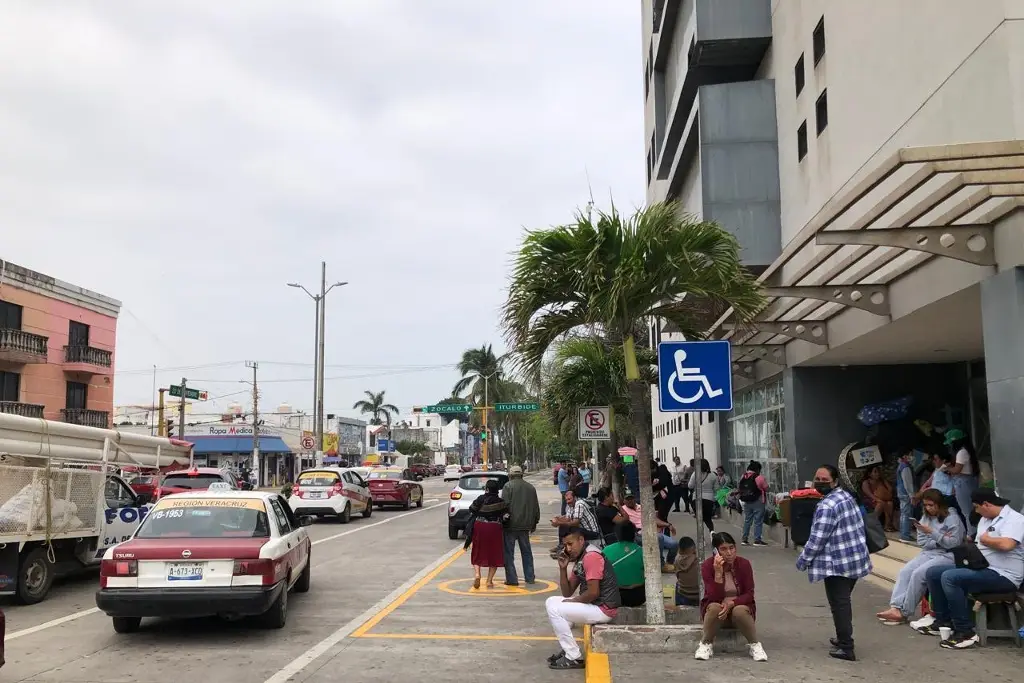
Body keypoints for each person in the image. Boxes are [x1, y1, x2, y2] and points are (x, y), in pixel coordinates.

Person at [914, 489, 1024, 649]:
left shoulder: (1015, 519)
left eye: (976, 507)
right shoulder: (986, 519)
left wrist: (987, 540)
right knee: (934, 573)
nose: (975, 511)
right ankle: (943, 622)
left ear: (986, 505)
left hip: (1004, 575)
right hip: (983, 567)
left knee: (951, 577)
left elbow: (1007, 544)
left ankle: (965, 632)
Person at [796, 465, 872, 662]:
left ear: (835, 481)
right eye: (817, 478)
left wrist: (803, 560)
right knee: (842, 602)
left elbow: (817, 539)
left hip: (837, 563)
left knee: (839, 604)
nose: (820, 482)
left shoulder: (827, 506)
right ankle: (842, 638)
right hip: (855, 560)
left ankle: (847, 647)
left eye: (824, 479)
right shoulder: (847, 497)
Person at [876, 488, 964, 625]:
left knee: (919, 574)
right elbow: (922, 541)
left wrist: (932, 533)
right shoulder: (925, 517)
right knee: (905, 571)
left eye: (931, 505)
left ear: (939, 504)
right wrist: (940, 539)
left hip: (949, 555)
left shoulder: (952, 518)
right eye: (926, 505)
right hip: (928, 552)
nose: (928, 508)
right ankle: (895, 607)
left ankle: (904, 611)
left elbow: (953, 543)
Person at [545, 528, 621, 670]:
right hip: (594, 605)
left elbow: (593, 592)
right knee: (551, 601)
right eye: (565, 545)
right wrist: (563, 568)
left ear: (581, 540)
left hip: (603, 609)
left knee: (556, 609)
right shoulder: (581, 557)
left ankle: (573, 656)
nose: (568, 549)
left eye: (570, 544)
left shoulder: (591, 557)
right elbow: (567, 592)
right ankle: (568, 647)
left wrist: (573, 602)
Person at [694, 532, 768, 662]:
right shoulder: (707, 566)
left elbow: (749, 594)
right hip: (718, 614)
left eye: (731, 548)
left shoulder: (744, 564)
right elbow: (712, 597)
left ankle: (755, 644)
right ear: (716, 551)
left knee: (739, 610)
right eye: (723, 549)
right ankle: (705, 644)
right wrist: (718, 573)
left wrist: (732, 603)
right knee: (714, 607)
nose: (729, 553)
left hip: (739, 614)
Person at [502, 465, 540, 586]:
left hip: (511, 526)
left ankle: (512, 579)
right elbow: (535, 507)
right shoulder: (531, 488)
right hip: (525, 526)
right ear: (521, 475)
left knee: (509, 553)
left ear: (511, 475)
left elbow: (504, 506)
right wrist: (534, 523)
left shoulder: (508, 486)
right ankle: (529, 577)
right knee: (527, 552)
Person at [467, 479, 508, 590]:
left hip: (480, 526)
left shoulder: (481, 499)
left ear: (487, 489)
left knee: (477, 551)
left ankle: (477, 575)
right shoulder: (501, 502)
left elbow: (471, 509)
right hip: (495, 528)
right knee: (494, 553)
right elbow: (506, 515)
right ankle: (489, 581)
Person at [619, 492, 678, 570]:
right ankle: (660, 563)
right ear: (624, 501)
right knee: (659, 537)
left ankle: (669, 563)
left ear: (634, 499)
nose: (630, 501)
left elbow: (654, 519)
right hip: (638, 533)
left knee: (674, 544)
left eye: (631, 498)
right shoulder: (623, 510)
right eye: (627, 499)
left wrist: (668, 525)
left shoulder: (641, 507)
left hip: (651, 530)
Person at [943, 429, 979, 537]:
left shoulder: (961, 452)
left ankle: (971, 534)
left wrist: (947, 468)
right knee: (970, 509)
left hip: (963, 482)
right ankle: (973, 532)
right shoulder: (967, 451)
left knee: (966, 511)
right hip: (967, 481)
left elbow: (957, 470)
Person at [602, 522, 645, 607]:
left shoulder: (606, 550)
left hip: (613, 596)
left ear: (617, 534)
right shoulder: (642, 551)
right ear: (634, 534)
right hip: (639, 597)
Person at [551, 489, 602, 558]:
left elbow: (576, 522)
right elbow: (567, 519)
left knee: (571, 528)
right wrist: (556, 520)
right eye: (566, 500)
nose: (568, 502)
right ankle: (562, 547)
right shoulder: (571, 505)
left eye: (569, 499)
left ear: (575, 497)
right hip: (583, 530)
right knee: (563, 526)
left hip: (592, 532)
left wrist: (559, 522)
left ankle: (565, 551)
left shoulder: (579, 503)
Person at [737, 460, 769, 547]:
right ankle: (757, 540)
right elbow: (766, 488)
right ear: (758, 469)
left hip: (746, 501)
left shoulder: (743, 476)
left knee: (747, 520)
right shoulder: (759, 478)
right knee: (758, 521)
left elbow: (740, 487)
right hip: (758, 501)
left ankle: (744, 539)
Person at [861, 464, 896, 532]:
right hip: (871, 501)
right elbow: (869, 494)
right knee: (881, 504)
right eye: (875, 472)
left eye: (878, 472)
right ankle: (872, 525)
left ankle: (887, 526)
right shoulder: (866, 482)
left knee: (890, 503)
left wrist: (884, 480)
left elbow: (890, 489)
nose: (877, 474)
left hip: (882, 500)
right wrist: (878, 500)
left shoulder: (881, 481)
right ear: (869, 474)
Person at [688, 459, 716, 535]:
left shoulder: (695, 474)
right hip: (709, 499)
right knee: (708, 518)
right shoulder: (713, 475)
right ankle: (712, 532)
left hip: (697, 498)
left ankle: (701, 538)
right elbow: (716, 488)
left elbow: (690, 486)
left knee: (699, 519)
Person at [895, 451, 916, 542]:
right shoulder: (905, 467)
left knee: (904, 513)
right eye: (910, 454)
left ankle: (905, 534)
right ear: (904, 456)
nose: (911, 456)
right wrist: (912, 495)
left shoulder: (901, 466)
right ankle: (904, 535)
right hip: (905, 493)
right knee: (906, 513)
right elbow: (908, 483)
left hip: (901, 492)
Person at [674, 536, 699, 606]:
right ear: (694, 549)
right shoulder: (698, 562)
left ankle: (678, 606)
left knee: (677, 583)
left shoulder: (676, 560)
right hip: (698, 595)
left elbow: (677, 576)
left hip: (683, 595)